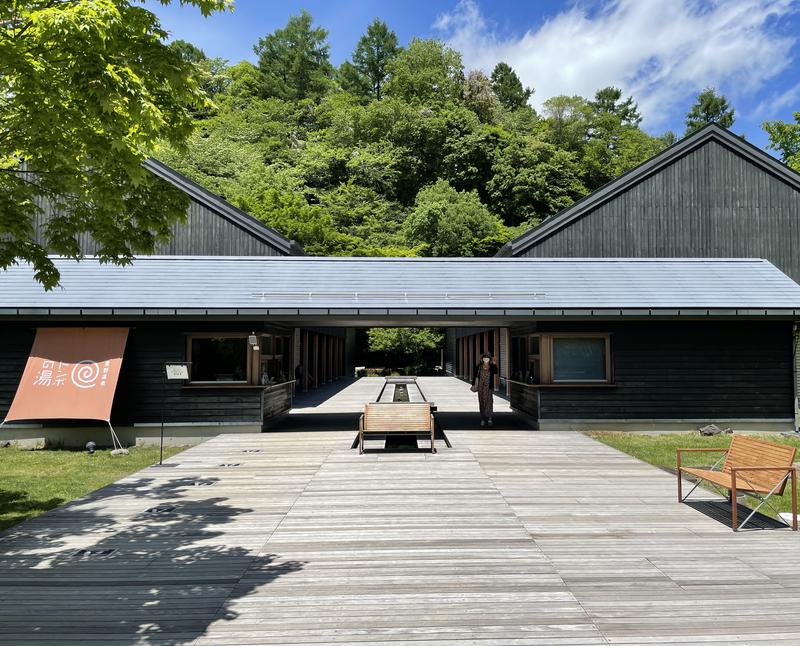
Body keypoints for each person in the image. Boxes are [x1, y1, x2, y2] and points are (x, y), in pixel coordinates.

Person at [472, 352, 497, 427]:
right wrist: (473, 384)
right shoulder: (479, 366)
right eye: (484, 358)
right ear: (482, 359)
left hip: (489, 387)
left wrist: (494, 363)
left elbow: (496, 372)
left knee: (489, 402)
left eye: (487, 358)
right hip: (480, 387)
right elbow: (475, 375)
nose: (486, 359)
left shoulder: (492, 366)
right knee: (481, 402)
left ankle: (489, 419)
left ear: (489, 359)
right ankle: (482, 419)